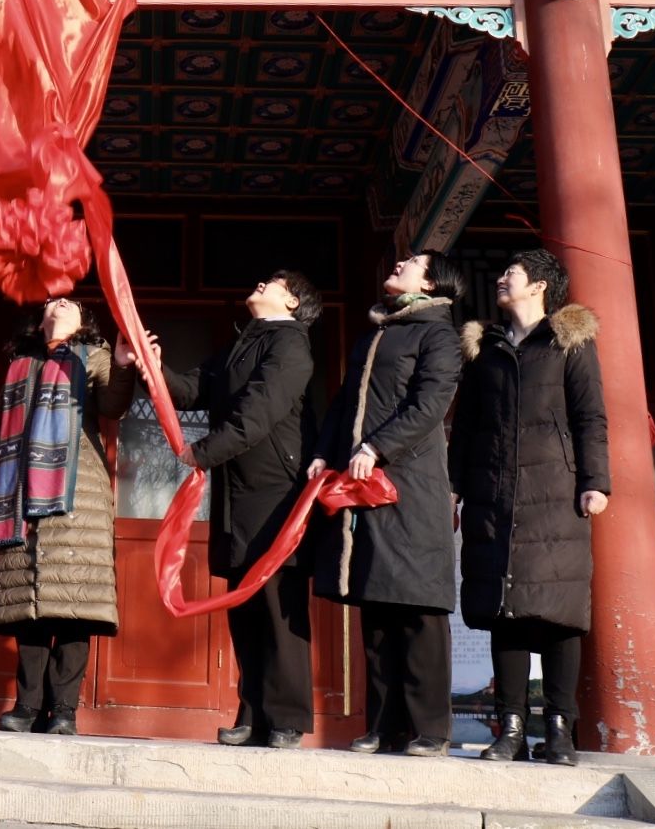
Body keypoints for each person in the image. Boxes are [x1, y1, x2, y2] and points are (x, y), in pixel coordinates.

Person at [0, 296, 136, 736]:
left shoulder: (95, 356)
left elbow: (112, 407)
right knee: (27, 610)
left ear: (84, 320)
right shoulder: (20, 364)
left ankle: (63, 709)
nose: (61, 303)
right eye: (54, 300)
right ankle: (26, 706)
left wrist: (123, 367)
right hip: (21, 498)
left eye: (71, 302)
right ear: (40, 318)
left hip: (76, 498)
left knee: (73, 605)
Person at [450, 248, 610, 767]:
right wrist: (455, 486)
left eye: (510, 273)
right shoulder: (486, 350)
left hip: (557, 494)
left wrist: (595, 481)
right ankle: (512, 728)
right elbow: (466, 427)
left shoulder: (570, 344)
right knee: (505, 611)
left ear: (540, 286)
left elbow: (591, 417)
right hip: (494, 494)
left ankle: (559, 730)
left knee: (561, 613)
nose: (501, 278)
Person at [311, 250, 465, 757]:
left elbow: (429, 404)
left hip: (410, 483)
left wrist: (378, 448)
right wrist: (323, 452)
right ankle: (383, 724)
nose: (397, 263)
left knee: (417, 608)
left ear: (434, 281)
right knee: (375, 604)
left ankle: (430, 729)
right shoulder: (377, 331)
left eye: (412, 262)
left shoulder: (439, 334)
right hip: (362, 481)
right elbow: (345, 402)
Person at [160, 271, 320, 750]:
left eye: (273, 281)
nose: (259, 284)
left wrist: (202, 452)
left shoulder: (291, 346)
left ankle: (286, 718)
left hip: (275, 493)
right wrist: (154, 364)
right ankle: (252, 713)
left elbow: (257, 413)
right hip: (237, 491)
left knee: (276, 607)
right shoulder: (243, 343)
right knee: (245, 610)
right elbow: (190, 390)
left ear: (292, 300)